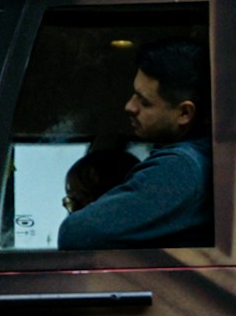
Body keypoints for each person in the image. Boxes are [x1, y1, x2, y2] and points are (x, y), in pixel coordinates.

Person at [50, 45, 211, 252]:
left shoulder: (181, 167)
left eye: (144, 102)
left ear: (184, 113)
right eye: (134, 95)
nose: (130, 106)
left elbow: (77, 234)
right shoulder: (201, 158)